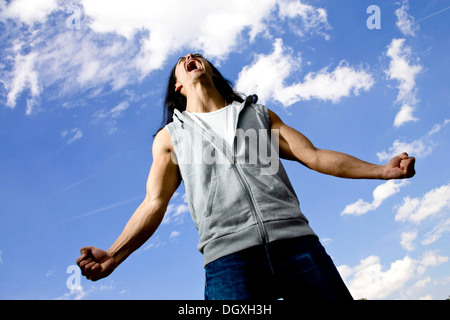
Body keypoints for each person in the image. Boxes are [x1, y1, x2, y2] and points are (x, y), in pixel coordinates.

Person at [77, 53, 415, 300]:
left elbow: (314, 156)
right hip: (229, 260)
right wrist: (115, 253)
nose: (191, 57)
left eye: (197, 55)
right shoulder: (170, 138)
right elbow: (154, 202)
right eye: (183, 59)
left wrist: (382, 171)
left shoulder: (259, 115)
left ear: (209, 69)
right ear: (178, 85)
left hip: (297, 245)